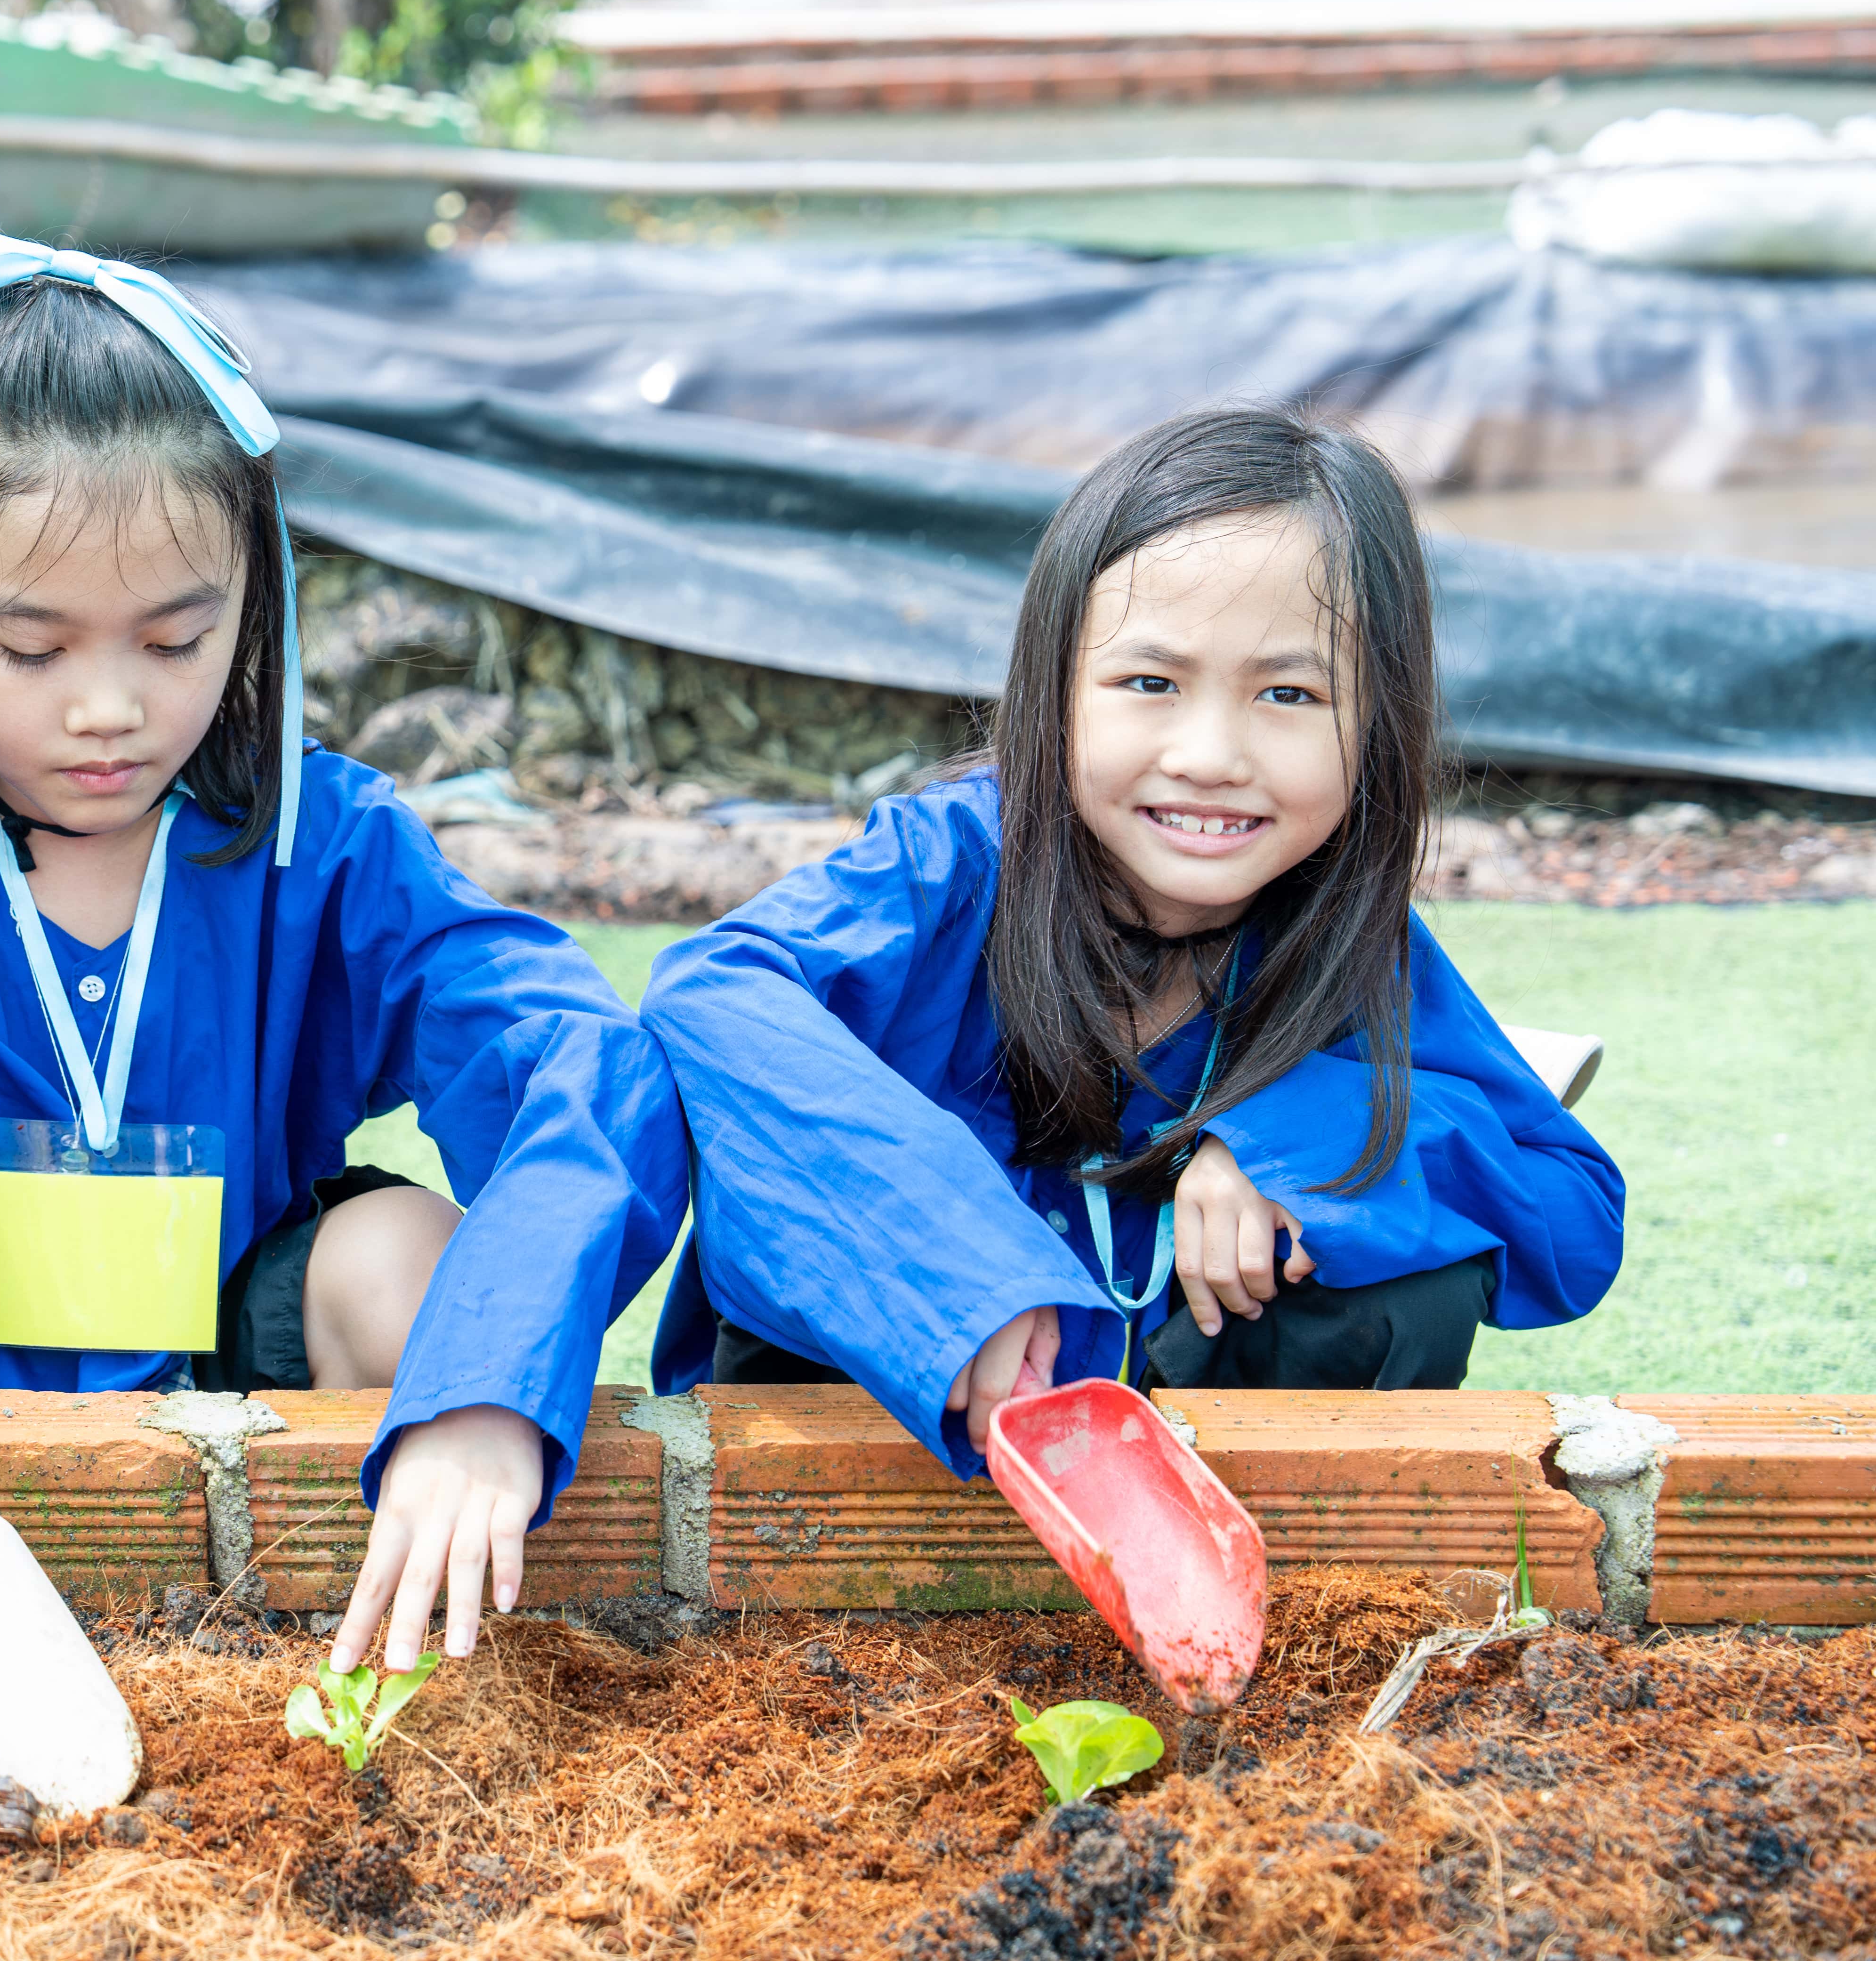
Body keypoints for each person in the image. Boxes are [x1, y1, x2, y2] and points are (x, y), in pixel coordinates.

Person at [0, 199, 688, 1674]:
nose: (111, 707)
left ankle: (373, 1621)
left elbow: (579, 1063)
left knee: (405, 1258)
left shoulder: (327, 842)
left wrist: (490, 1381)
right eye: (34, 649)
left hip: (250, 1353)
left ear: (255, 606)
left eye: (178, 640)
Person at [644, 405, 1624, 1477]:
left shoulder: (1346, 930)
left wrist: (1294, 1142)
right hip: (877, 1455)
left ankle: (1289, 1573)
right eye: (1149, 682)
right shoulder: (949, 864)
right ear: (1055, 692)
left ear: (1379, 724)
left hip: (1173, 1477)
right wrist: (952, 1255)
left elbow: (1568, 1198)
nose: (1210, 755)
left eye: (1290, 692)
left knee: (1403, 1257)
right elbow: (711, 992)